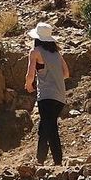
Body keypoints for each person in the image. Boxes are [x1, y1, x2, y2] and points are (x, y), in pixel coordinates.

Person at [24, 22, 69, 166]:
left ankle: (53, 161)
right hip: (60, 96)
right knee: (46, 127)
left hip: (46, 96)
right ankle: (42, 159)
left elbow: (30, 74)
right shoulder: (57, 53)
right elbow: (66, 74)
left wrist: (28, 85)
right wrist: (53, 76)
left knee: (48, 128)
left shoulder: (35, 51)